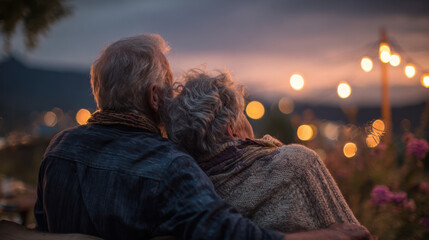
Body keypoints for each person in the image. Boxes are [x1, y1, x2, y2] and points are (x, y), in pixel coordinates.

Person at [34, 34, 370, 240]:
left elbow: (42, 226)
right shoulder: (167, 165)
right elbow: (227, 235)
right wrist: (330, 235)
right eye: (167, 91)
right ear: (154, 98)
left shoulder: (58, 150)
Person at [163, 70, 362, 233]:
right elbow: (354, 233)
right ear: (231, 130)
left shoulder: (193, 194)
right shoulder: (296, 164)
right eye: (242, 115)